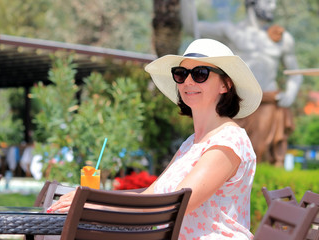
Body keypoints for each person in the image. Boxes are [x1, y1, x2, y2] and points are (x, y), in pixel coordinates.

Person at [48, 38, 262, 239]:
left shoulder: (229, 140)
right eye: (181, 73)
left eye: (200, 73)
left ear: (225, 85)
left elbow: (173, 205)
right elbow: (151, 196)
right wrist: (93, 199)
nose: (188, 81)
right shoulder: (192, 143)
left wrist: (93, 204)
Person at [180, 0, 303, 166]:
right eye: (268, 1)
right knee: (232, 153)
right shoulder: (231, 31)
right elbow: (190, 26)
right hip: (238, 103)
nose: (273, 6)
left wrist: (291, 92)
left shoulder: (283, 39)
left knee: (262, 154)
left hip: (268, 103)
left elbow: (295, 74)